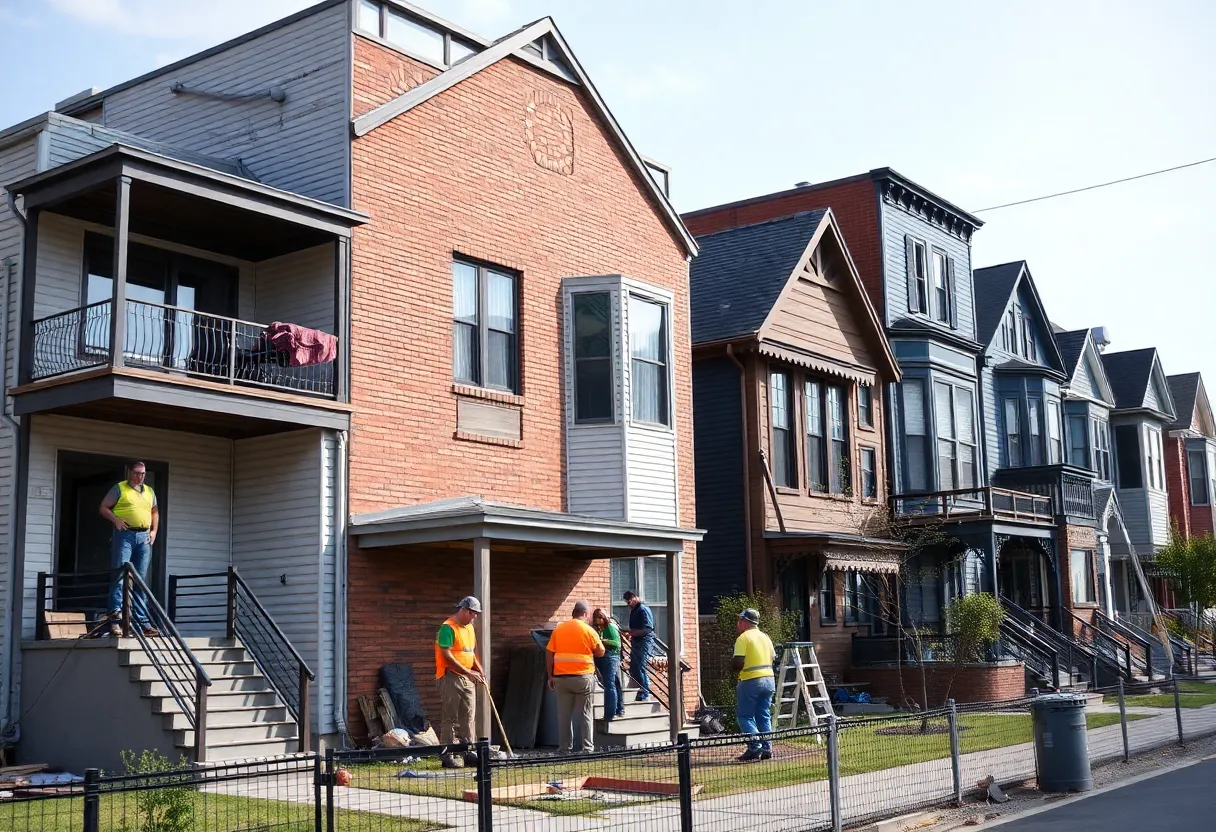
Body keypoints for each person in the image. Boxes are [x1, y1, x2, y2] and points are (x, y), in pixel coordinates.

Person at [99, 461, 159, 638]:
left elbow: (155, 511)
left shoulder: (149, 491)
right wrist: (115, 520)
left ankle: (143, 623)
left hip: (144, 537)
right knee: (119, 574)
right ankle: (115, 621)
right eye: (137, 473)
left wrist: (154, 531)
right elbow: (103, 507)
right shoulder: (120, 488)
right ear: (129, 472)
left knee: (140, 579)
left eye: (143, 473)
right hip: (125, 534)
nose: (140, 476)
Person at [546, 600, 605, 753]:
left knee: (564, 715)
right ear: (585, 614)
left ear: (574, 612)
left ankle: (564, 748)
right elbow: (600, 652)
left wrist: (550, 676)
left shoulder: (559, 630)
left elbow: (549, 652)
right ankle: (587, 747)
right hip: (583, 677)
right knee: (585, 713)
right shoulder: (589, 630)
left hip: (561, 677)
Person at [434, 596, 485, 769]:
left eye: (476, 614)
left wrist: (479, 669)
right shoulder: (447, 628)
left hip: (467, 676)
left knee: (469, 715)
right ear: (463, 610)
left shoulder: (469, 628)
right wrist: (468, 671)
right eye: (472, 613)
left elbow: (471, 653)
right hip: (450, 676)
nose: (475, 617)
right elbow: (447, 656)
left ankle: (469, 752)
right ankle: (446, 755)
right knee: (450, 717)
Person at [733, 608, 775, 762]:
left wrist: (734, 672)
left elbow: (738, 662)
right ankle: (767, 747)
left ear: (745, 622)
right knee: (763, 715)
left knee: (745, 716)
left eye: (740, 620)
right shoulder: (766, 637)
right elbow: (772, 659)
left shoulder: (743, 638)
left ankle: (754, 747)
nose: (738, 624)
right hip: (769, 680)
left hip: (750, 681)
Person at [592, 608, 625, 721]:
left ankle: (609, 714)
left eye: (599, 619)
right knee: (615, 683)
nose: (598, 621)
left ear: (603, 618)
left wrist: (603, 641)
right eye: (596, 619)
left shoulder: (610, 627)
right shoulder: (598, 628)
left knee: (609, 684)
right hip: (603, 657)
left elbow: (617, 643)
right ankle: (620, 709)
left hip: (611, 656)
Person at [623, 590, 654, 701]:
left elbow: (647, 629)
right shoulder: (634, 611)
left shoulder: (643, 610)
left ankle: (645, 692)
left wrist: (631, 633)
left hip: (644, 641)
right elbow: (634, 628)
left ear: (635, 598)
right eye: (627, 602)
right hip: (636, 641)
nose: (628, 604)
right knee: (634, 667)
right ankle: (640, 690)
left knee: (640, 666)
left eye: (629, 601)